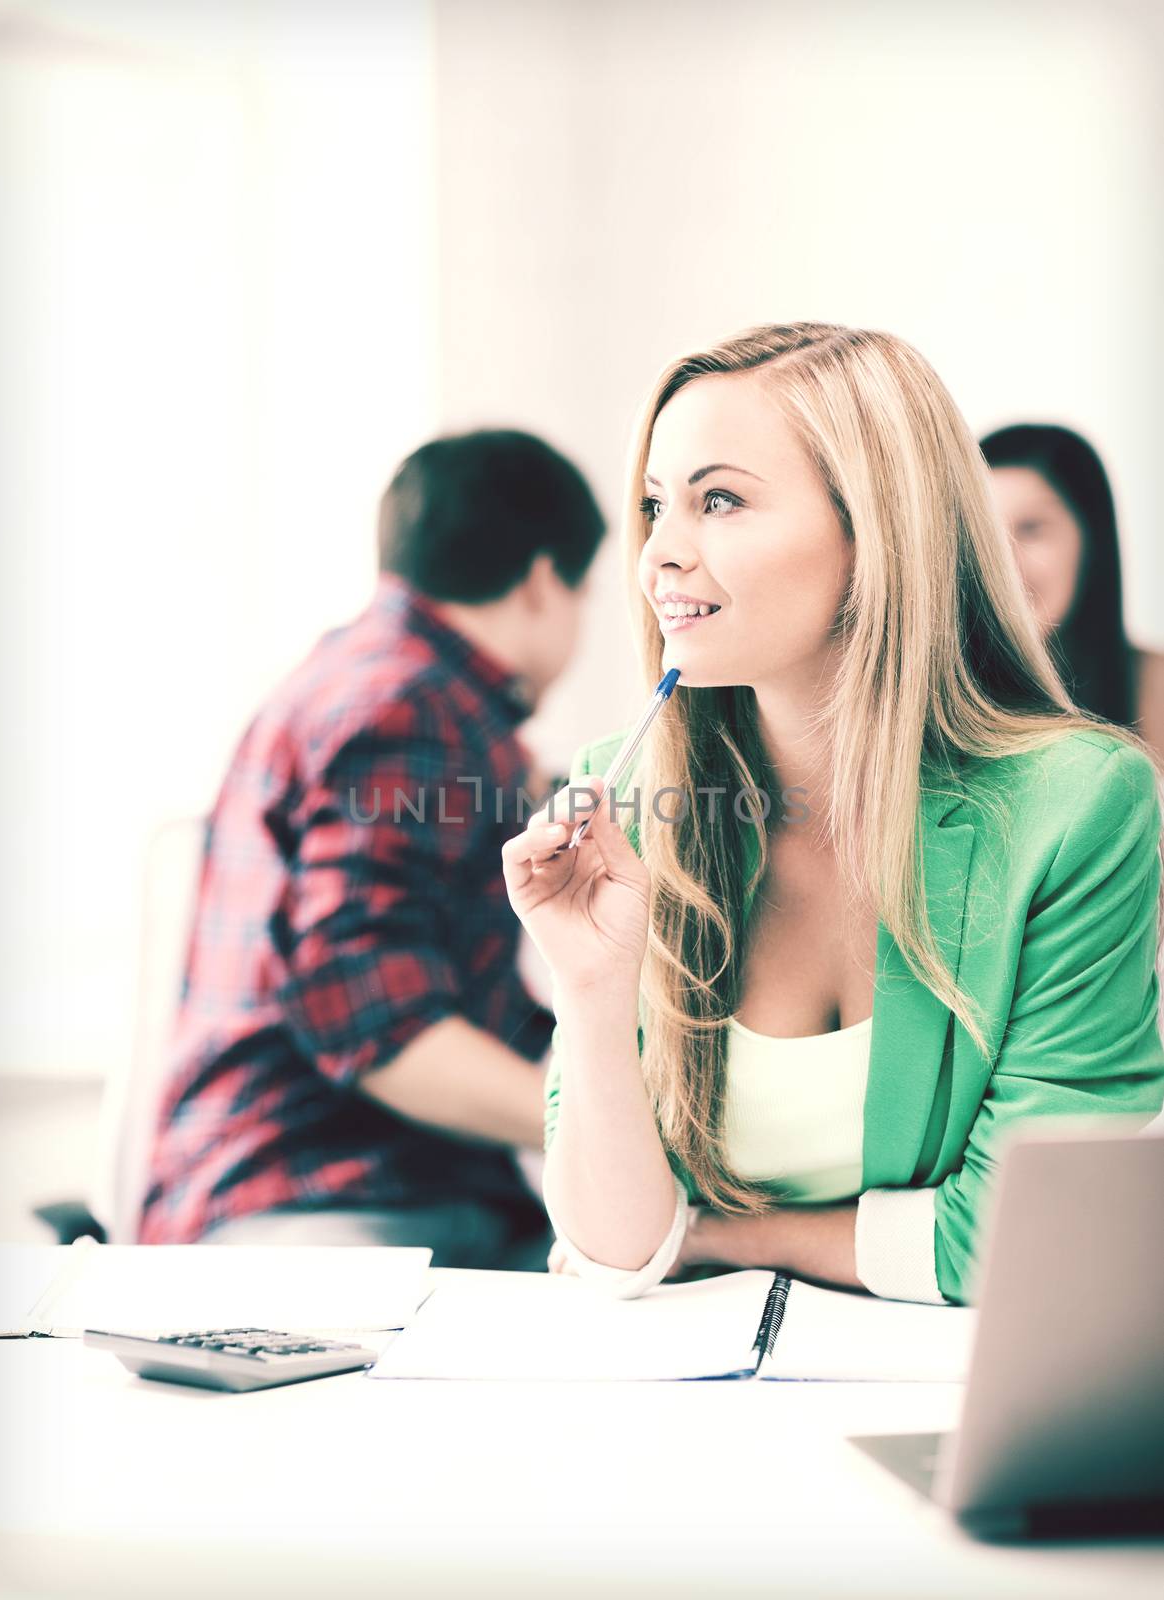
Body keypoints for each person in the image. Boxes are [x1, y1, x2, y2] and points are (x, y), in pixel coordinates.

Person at [501, 324, 1164, 1307]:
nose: (658, 557)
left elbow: (1029, 1238)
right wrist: (591, 993)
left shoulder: (1078, 806)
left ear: (876, 530)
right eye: (654, 506)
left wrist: (732, 1235)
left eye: (718, 499)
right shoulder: (624, 800)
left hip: (943, 1398)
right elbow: (612, 1254)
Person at [140, 429, 605, 1264]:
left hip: (291, 1184)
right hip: (320, 1193)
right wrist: (615, 1125)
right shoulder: (415, 708)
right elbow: (376, 1027)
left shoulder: (356, 674)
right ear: (543, 580)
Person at [980, 422, 1164, 762]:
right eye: (987, 535)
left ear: (1092, 538)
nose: (1005, 561)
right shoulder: (935, 704)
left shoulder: (1156, 688)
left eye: (1032, 528)